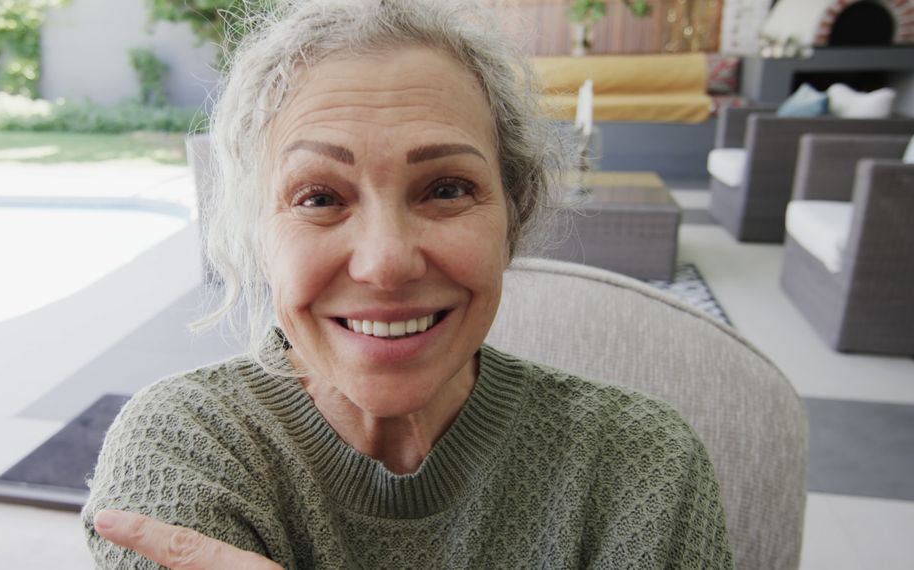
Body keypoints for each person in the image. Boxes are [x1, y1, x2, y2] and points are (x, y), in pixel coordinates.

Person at [82, 1, 735, 568]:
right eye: (318, 197)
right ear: (257, 235)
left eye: (446, 190)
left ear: (514, 213)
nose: (385, 262)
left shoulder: (643, 465)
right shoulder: (184, 452)